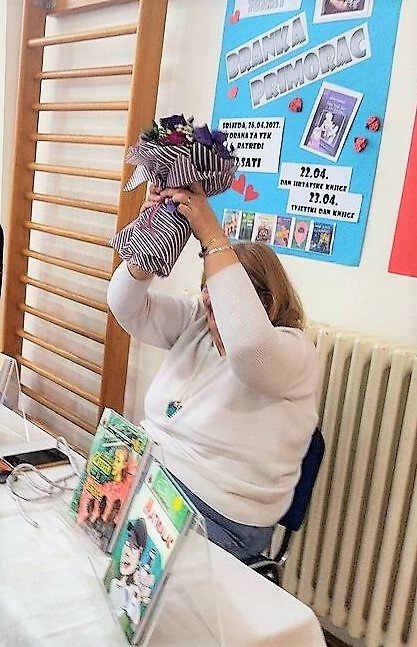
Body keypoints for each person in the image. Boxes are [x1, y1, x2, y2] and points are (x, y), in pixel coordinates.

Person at [107, 182, 319, 562]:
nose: (208, 298)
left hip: (219, 516)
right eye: (206, 286)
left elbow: (249, 349)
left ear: (265, 301)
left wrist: (210, 233)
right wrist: (152, 236)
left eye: (218, 290)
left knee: (117, 564)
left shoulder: (293, 352)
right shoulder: (197, 324)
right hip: (150, 477)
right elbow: (124, 305)